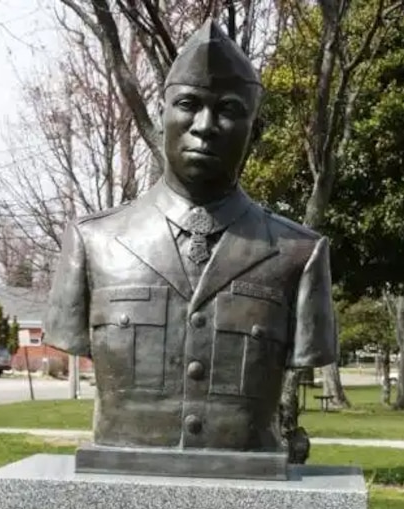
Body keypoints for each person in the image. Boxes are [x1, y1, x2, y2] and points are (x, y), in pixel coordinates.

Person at [45, 19, 336, 457]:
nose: (206, 125)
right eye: (188, 104)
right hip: (121, 467)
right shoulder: (93, 242)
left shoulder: (299, 254)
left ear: (252, 132)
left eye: (230, 110)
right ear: (162, 118)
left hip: (250, 478)